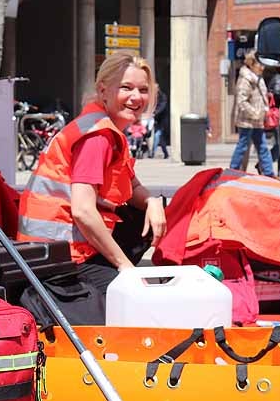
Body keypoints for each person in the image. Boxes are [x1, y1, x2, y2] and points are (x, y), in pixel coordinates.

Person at [17, 50, 168, 296]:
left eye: (143, 90)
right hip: (61, 257)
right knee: (139, 299)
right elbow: (83, 211)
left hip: (60, 246)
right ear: (103, 91)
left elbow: (132, 186)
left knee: (147, 216)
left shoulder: (107, 128)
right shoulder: (98, 137)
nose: (135, 97)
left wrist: (152, 202)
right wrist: (125, 267)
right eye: (126, 88)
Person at [229, 51, 274, 176]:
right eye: (260, 64)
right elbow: (241, 101)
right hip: (247, 121)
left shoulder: (257, 78)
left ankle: (269, 173)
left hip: (257, 121)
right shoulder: (246, 79)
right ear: (252, 64)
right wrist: (255, 113)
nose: (262, 67)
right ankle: (233, 171)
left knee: (262, 147)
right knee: (243, 147)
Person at [264, 65, 280, 177]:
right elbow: (278, 94)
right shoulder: (279, 78)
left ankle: (266, 166)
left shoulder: (278, 78)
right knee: (279, 146)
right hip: (278, 115)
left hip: (278, 115)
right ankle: (266, 166)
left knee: (278, 145)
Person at [149, 87, 170, 159]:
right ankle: (165, 153)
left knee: (157, 136)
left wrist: (155, 113)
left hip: (163, 121)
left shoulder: (162, 97)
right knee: (160, 138)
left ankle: (152, 153)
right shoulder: (154, 98)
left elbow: (162, 107)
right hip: (157, 121)